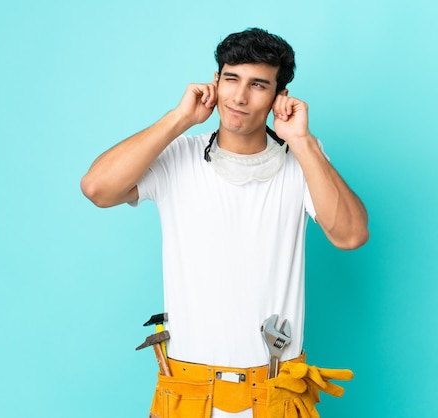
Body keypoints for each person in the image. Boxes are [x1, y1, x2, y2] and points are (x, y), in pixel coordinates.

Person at [81, 27, 368, 418]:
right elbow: (98, 188)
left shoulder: (302, 163)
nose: (239, 96)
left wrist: (302, 142)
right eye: (231, 79)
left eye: (258, 85)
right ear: (215, 82)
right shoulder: (177, 155)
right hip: (189, 393)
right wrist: (180, 118)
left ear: (278, 97)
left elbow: (351, 235)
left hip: (274, 391)